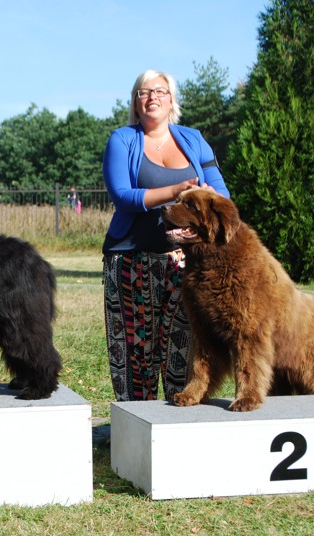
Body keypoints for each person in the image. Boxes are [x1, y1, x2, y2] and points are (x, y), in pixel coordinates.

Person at [101, 69, 230, 403]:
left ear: (171, 100)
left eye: (160, 91)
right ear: (135, 102)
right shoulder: (122, 140)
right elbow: (122, 196)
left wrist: (207, 194)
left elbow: (222, 194)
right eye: (144, 92)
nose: (152, 97)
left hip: (185, 263)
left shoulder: (194, 139)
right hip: (130, 261)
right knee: (135, 359)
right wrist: (176, 191)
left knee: (184, 352)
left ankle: (178, 422)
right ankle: (133, 424)